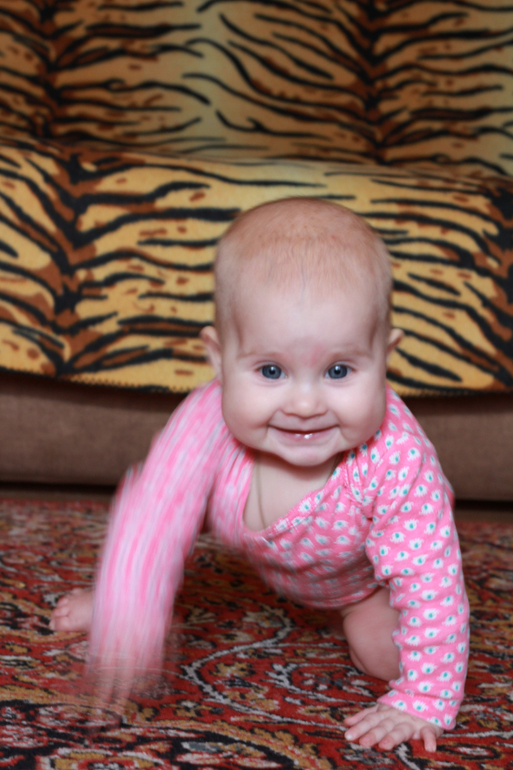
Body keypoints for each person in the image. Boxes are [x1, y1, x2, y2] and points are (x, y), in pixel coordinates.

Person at [50, 197, 469, 752]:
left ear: (383, 358)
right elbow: (153, 512)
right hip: (259, 543)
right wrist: (125, 610)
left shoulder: (396, 459)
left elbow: (431, 582)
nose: (304, 404)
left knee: (383, 655)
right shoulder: (206, 419)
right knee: (150, 546)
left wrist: (424, 697)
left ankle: (364, 623)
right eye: (271, 370)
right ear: (219, 359)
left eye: (339, 370)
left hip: (361, 584)